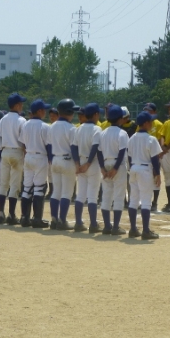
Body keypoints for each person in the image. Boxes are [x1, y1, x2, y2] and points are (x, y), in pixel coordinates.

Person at [127, 111, 161, 240]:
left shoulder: (132, 138)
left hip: (134, 168)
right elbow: (154, 159)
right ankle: (146, 231)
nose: (152, 123)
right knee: (146, 201)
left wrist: (132, 169)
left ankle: (133, 229)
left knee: (133, 200)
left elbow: (129, 157)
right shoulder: (151, 139)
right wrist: (157, 174)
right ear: (146, 123)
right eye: (150, 121)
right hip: (145, 169)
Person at [47, 98, 80, 230]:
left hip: (55, 159)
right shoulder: (71, 128)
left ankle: (54, 219)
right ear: (69, 112)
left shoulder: (52, 126)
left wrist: (51, 158)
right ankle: (62, 221)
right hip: (67, 160)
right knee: (66, 193)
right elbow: (73, 147)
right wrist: (77, 163)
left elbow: (48, 145)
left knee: (56, 192)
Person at [19, 99, 52, 228]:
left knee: (27, 187)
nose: (45, 112)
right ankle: (37, 219)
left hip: (28, 155)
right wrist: (50, 159)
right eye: (44, 110)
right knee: (39, 188)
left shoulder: (25, 125)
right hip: (40, 157)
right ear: (39, 111)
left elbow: (23, 143)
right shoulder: (45, 126)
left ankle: (24, 218)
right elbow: (48, 145)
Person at [97, 104, 129, 235]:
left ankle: (106, 226)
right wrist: (116, 168)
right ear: (120, 119)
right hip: (118, 165)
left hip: (105, 163)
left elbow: (99, 152)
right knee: (119, 196)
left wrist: (103, 168)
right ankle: (115, 227)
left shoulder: (103, 133)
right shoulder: (122, 133)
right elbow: (122, 152)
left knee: (106, 195)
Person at [72, 103, 103, 233]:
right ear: (95, 115)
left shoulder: (78, 128)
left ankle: (78, 223)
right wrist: (89, 163)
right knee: (92, 196)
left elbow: (73, 147)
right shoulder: (97, 129)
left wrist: (78, 164)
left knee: (80, 195)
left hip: (81, 162)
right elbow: (95, 148)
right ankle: (93, 224)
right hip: (93, 164)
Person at [0, 93, 27, 224]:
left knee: (3, 184)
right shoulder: (21, 120)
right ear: (16, 105)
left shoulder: (3, 119)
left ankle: (1, 213)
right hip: (17, 152)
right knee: (14, 185)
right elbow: (24, 140)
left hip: (5, 151)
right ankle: (11, 214)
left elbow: (0, 135)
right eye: (20, 103)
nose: (22, 106)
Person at [140, 103, 164, 211]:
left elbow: (160, 139)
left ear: (154, 112)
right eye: (145, 110)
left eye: (149, 110)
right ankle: (145, 201)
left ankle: (155, 201)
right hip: (144, 155)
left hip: (154, 154)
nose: (147, 112)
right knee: (144, 179)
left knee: (155, 178)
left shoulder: (158, 124)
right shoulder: (141, 123)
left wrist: (159, 154)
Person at [46, 107, 59, 200]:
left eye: (54, 115)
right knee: (50, 174)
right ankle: (51, 191)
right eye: (50, 116)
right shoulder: (49, 127)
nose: (52, 117)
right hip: (51, 154)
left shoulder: (59, 127)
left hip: (59, 154)